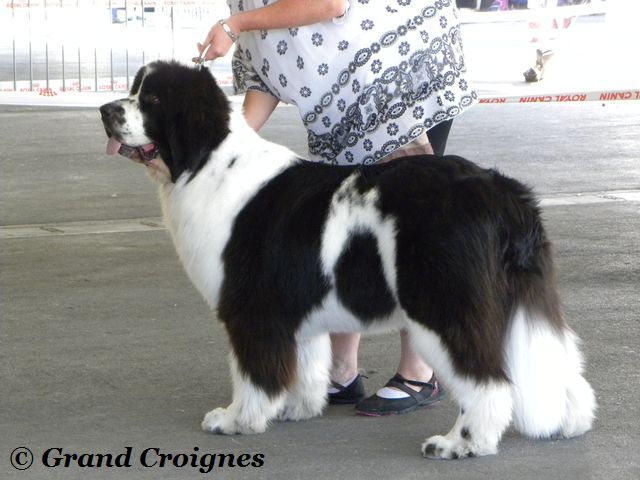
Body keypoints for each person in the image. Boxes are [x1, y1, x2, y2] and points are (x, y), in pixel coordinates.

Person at [197, 0, 477, 415]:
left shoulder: (239, 16)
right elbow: (266, 69)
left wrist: (235, 24)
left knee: (408, 232)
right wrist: (223, 143)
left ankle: (419, 371)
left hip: (397, 66)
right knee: (343, 233)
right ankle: (342, 370)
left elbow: (330, 3)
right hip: (336, 101)